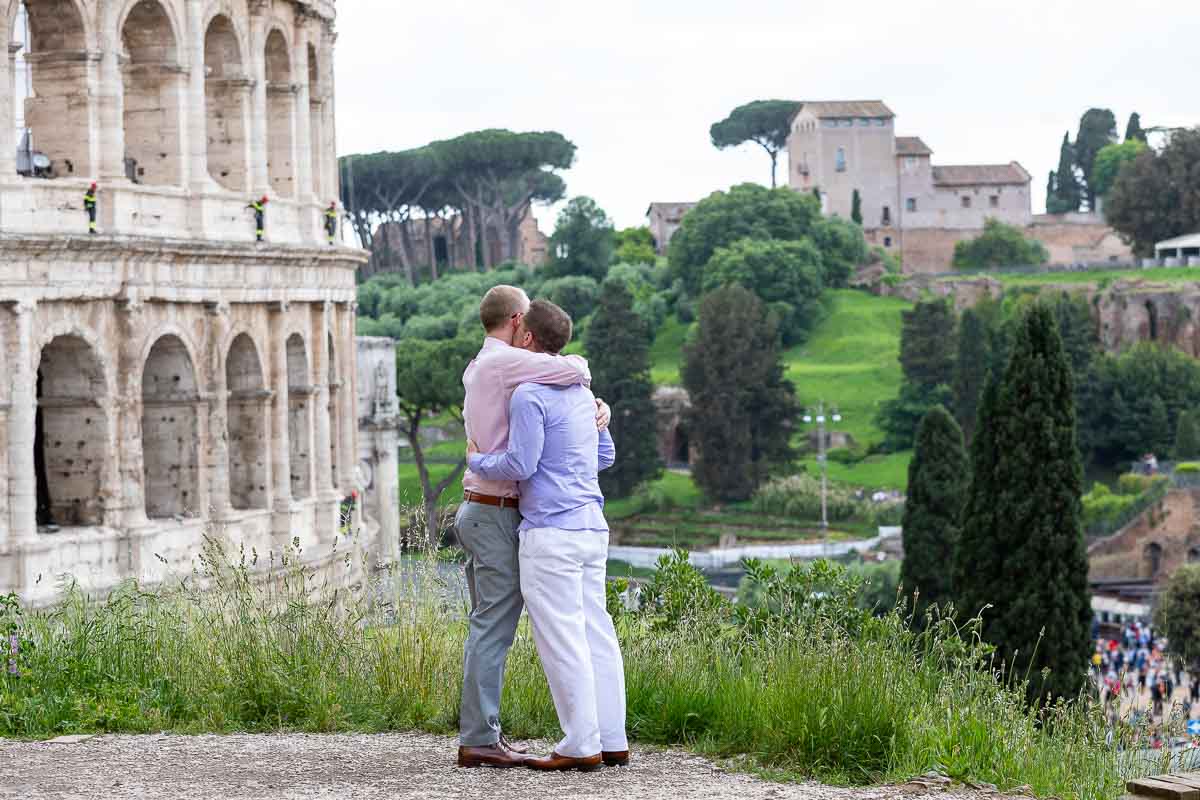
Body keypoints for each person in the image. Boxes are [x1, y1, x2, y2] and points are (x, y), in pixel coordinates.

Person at [469, 299, 629, 773]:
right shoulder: (582, 393)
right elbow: (605, 457)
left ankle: (581, 744)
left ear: (529, 339)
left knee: (561, 638)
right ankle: (613, 737)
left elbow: (521, 464)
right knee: (597, 631)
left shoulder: (530, 395)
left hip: (551, 532)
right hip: (592, 528)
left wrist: (476, 459)